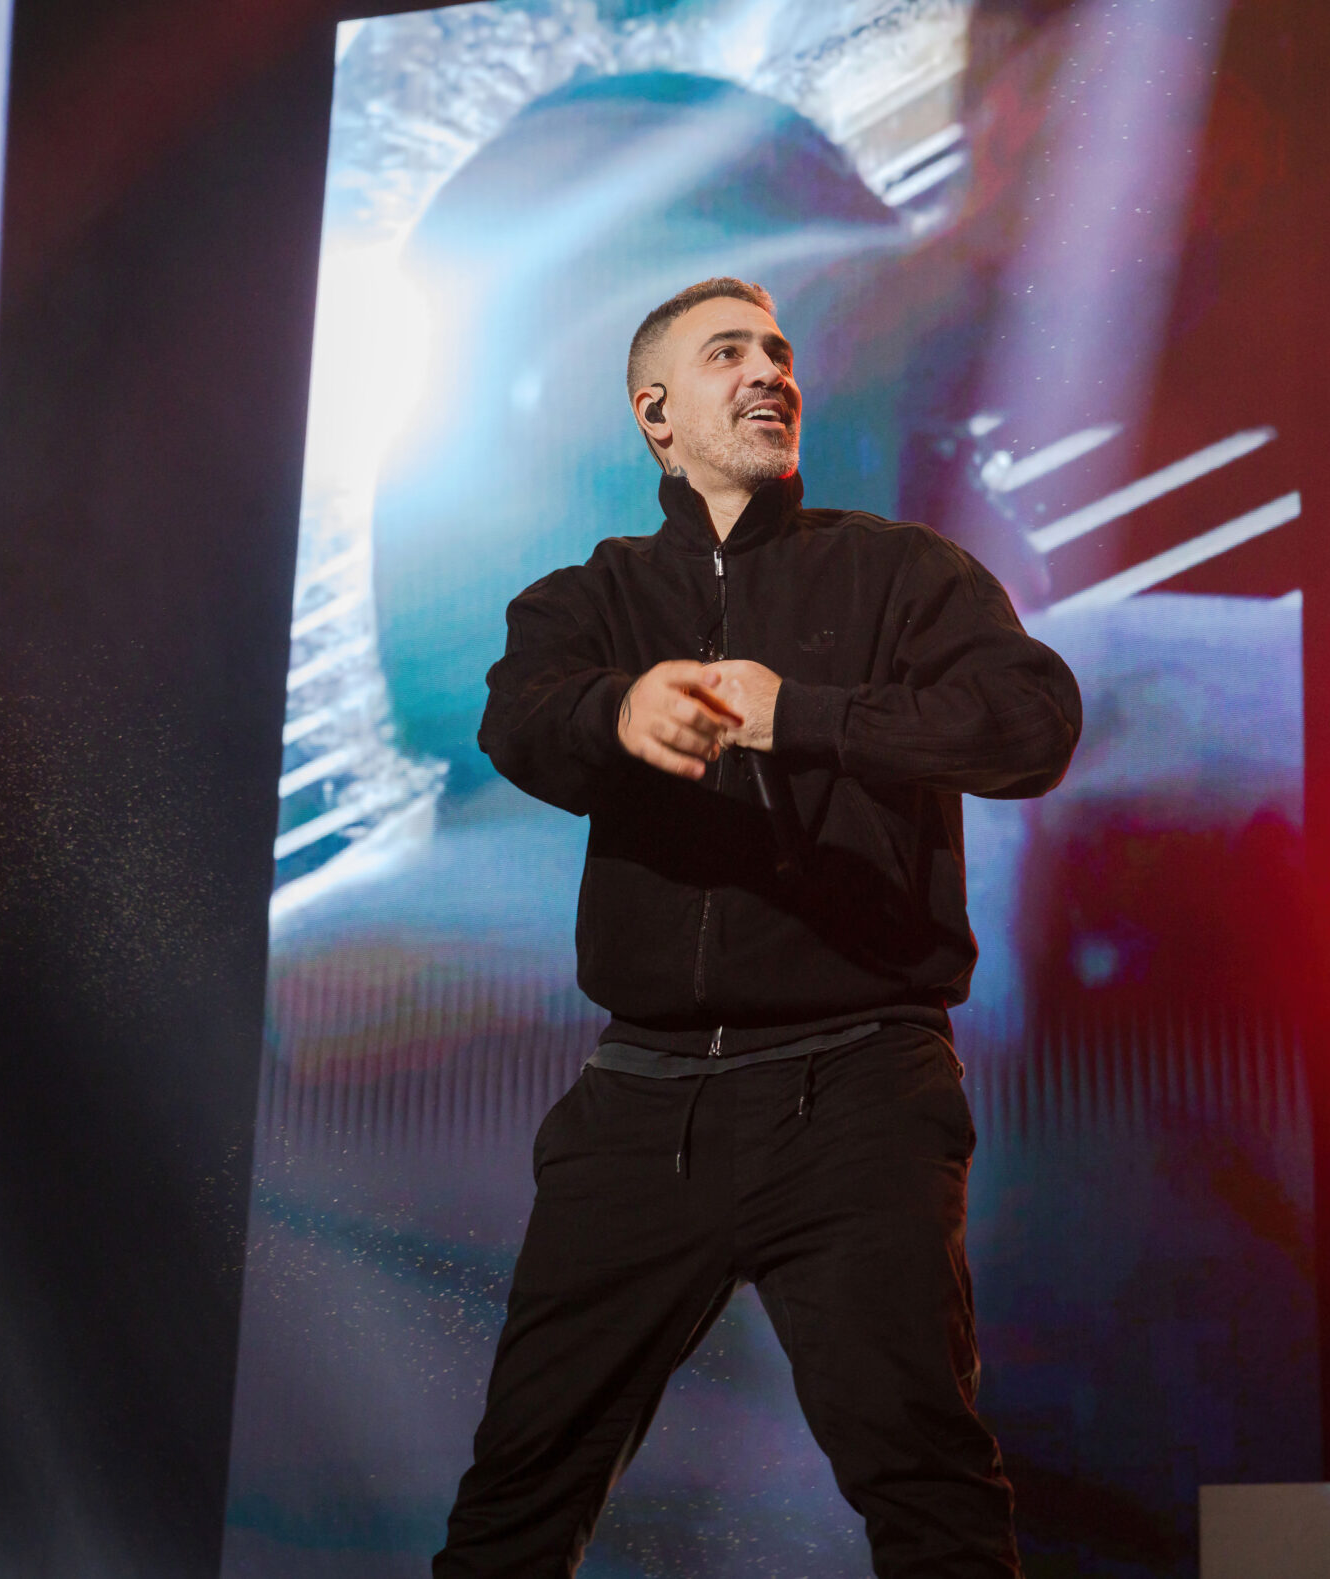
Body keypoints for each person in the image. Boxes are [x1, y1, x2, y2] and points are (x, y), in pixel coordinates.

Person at [436, 277, 1081, 1578]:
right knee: (516, 1501)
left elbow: (1031, 723)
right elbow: (522, 713)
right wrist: (620, 716)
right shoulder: (592, 599)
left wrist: (812, 716)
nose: (769, 371)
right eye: (728, 351)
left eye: (779, 351)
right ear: (655, 412)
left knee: (929, 1488)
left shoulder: (902, 574)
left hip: (857, 1089)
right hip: (641, 1106)